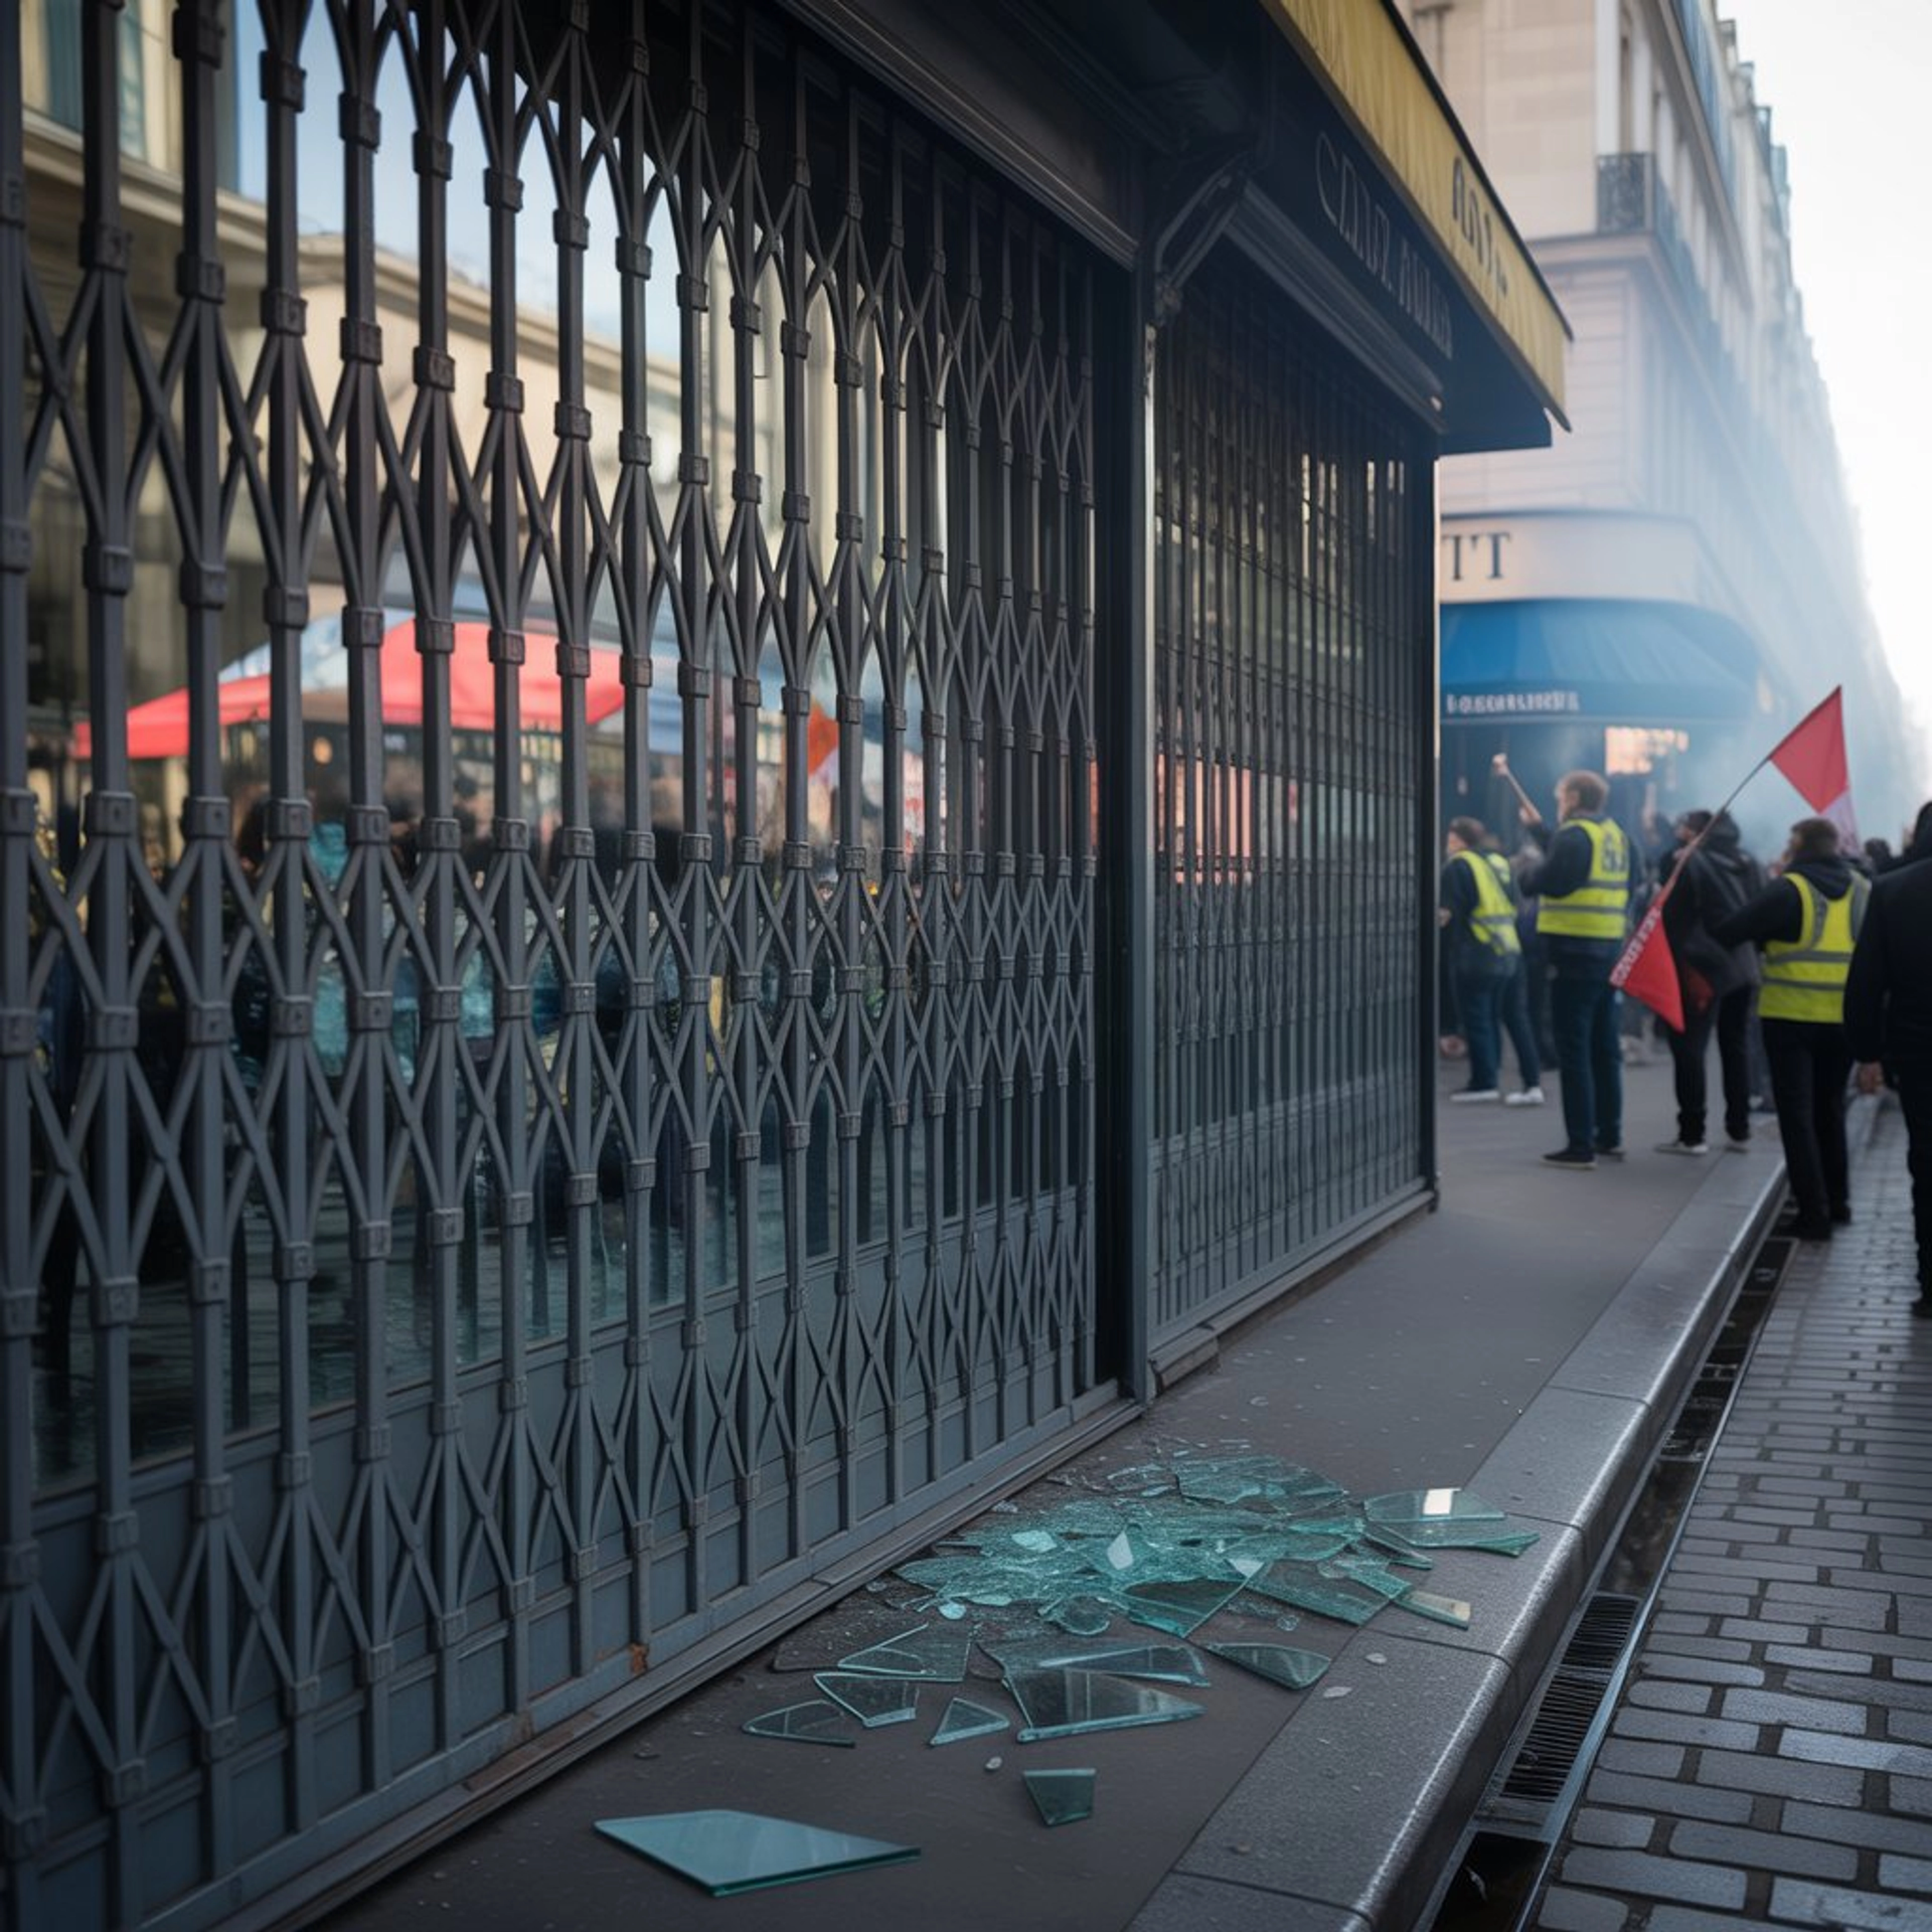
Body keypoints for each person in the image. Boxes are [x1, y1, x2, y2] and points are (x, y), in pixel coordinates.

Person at [1712, 817, 1869, 1242]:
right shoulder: (1863, 889)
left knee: (1797, 1117)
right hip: (1843, 1019)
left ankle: (1813, 1215)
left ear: (1799, 844)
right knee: (1830, 1109)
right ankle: (1838, 1201)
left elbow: (1731, 931)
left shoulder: (1789, 888)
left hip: (1791, 1018)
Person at [1843, 806, 1932, 1315]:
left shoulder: (1894, 890)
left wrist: (1867, 1053)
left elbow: (1866, 983)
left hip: (1919, 1051)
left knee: (1927, 1162)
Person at [1519, 769, 1631, 1169]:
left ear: (1575, 797)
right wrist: (1539, 831)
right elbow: (1579, 864)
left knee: (1574, 1050)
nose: (1559, 802)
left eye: (1561, 796)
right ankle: (1609, 1134)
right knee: (1605, 1047)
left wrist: (1526, 872)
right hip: (1609, 949)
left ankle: (1580, 1145)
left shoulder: (1574, 835)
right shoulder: (1615, 835)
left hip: (1573, 953)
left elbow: (1554, 878)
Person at [1655, 810, 1764, 1156]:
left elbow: (1671, 914)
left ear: (1696, 832)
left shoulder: (1690, 861)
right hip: (1744, 965)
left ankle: (1692, 1133)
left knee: (1689, 1048)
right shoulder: (1751, 862)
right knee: (1736, 1047)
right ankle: (1739, 1129)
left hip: (1700, 968)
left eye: (1684, 828)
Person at [1438, 817, 1543, 1105]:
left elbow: (1447, 915)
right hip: (1510, 949)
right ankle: (1532, 1083)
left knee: (1479, 1018)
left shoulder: (1458, 865)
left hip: (1477, 952)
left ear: (1457, 839)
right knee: (1516, 1018)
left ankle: (1485, 1082)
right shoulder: (1499, 862)